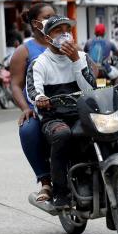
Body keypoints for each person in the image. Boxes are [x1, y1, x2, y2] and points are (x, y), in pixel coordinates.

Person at [26, 15, 96, 208]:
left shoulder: (82, 58)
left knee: (104, 131)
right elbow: (33, 91)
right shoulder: (39, 63)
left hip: (82, 114)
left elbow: (91, 88)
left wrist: (75, 60)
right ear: (48, 37)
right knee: (63, 134)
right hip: (54, 117)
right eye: (58, 30)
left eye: (67, 29)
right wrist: (40, 99)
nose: (65, 33)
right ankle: (60, 192)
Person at [9, 3, 55, 197]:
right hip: (40, 107)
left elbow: (88, 67)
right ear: (36, 23)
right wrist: (25, 108)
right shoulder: (24, 50)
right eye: (47, 17)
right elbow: (16, 85)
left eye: (55, 15)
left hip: (70, 103)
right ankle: (45, 181)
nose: (53, 20)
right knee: (28, 129)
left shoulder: (67, 42)